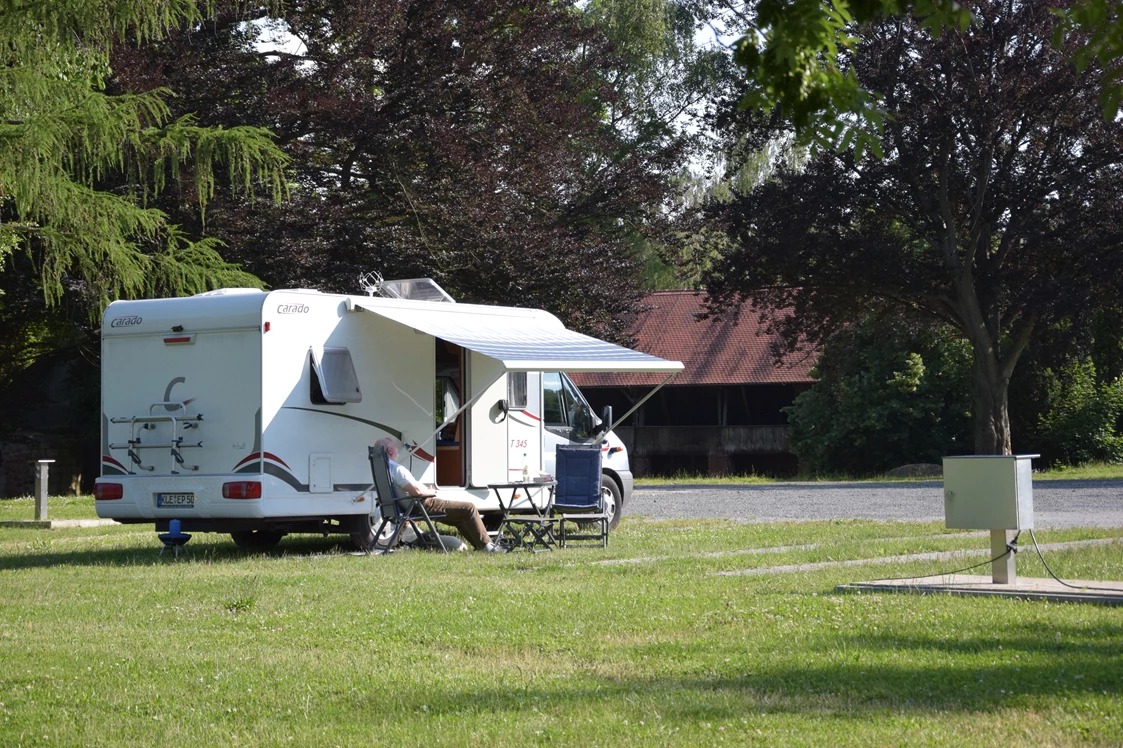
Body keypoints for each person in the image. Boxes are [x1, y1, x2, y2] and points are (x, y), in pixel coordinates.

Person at [373, 436, 504, 552]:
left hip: (409, 506)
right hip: (421, 504)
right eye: (395, 447)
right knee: (468, 508)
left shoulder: (384, 469)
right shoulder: (397, 469)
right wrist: (430, 491)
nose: (397, 450)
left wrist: (424, 490)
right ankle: (488, 547)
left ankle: (480, 546)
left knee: (460, 516)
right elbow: (416, 491)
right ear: (390, 450)